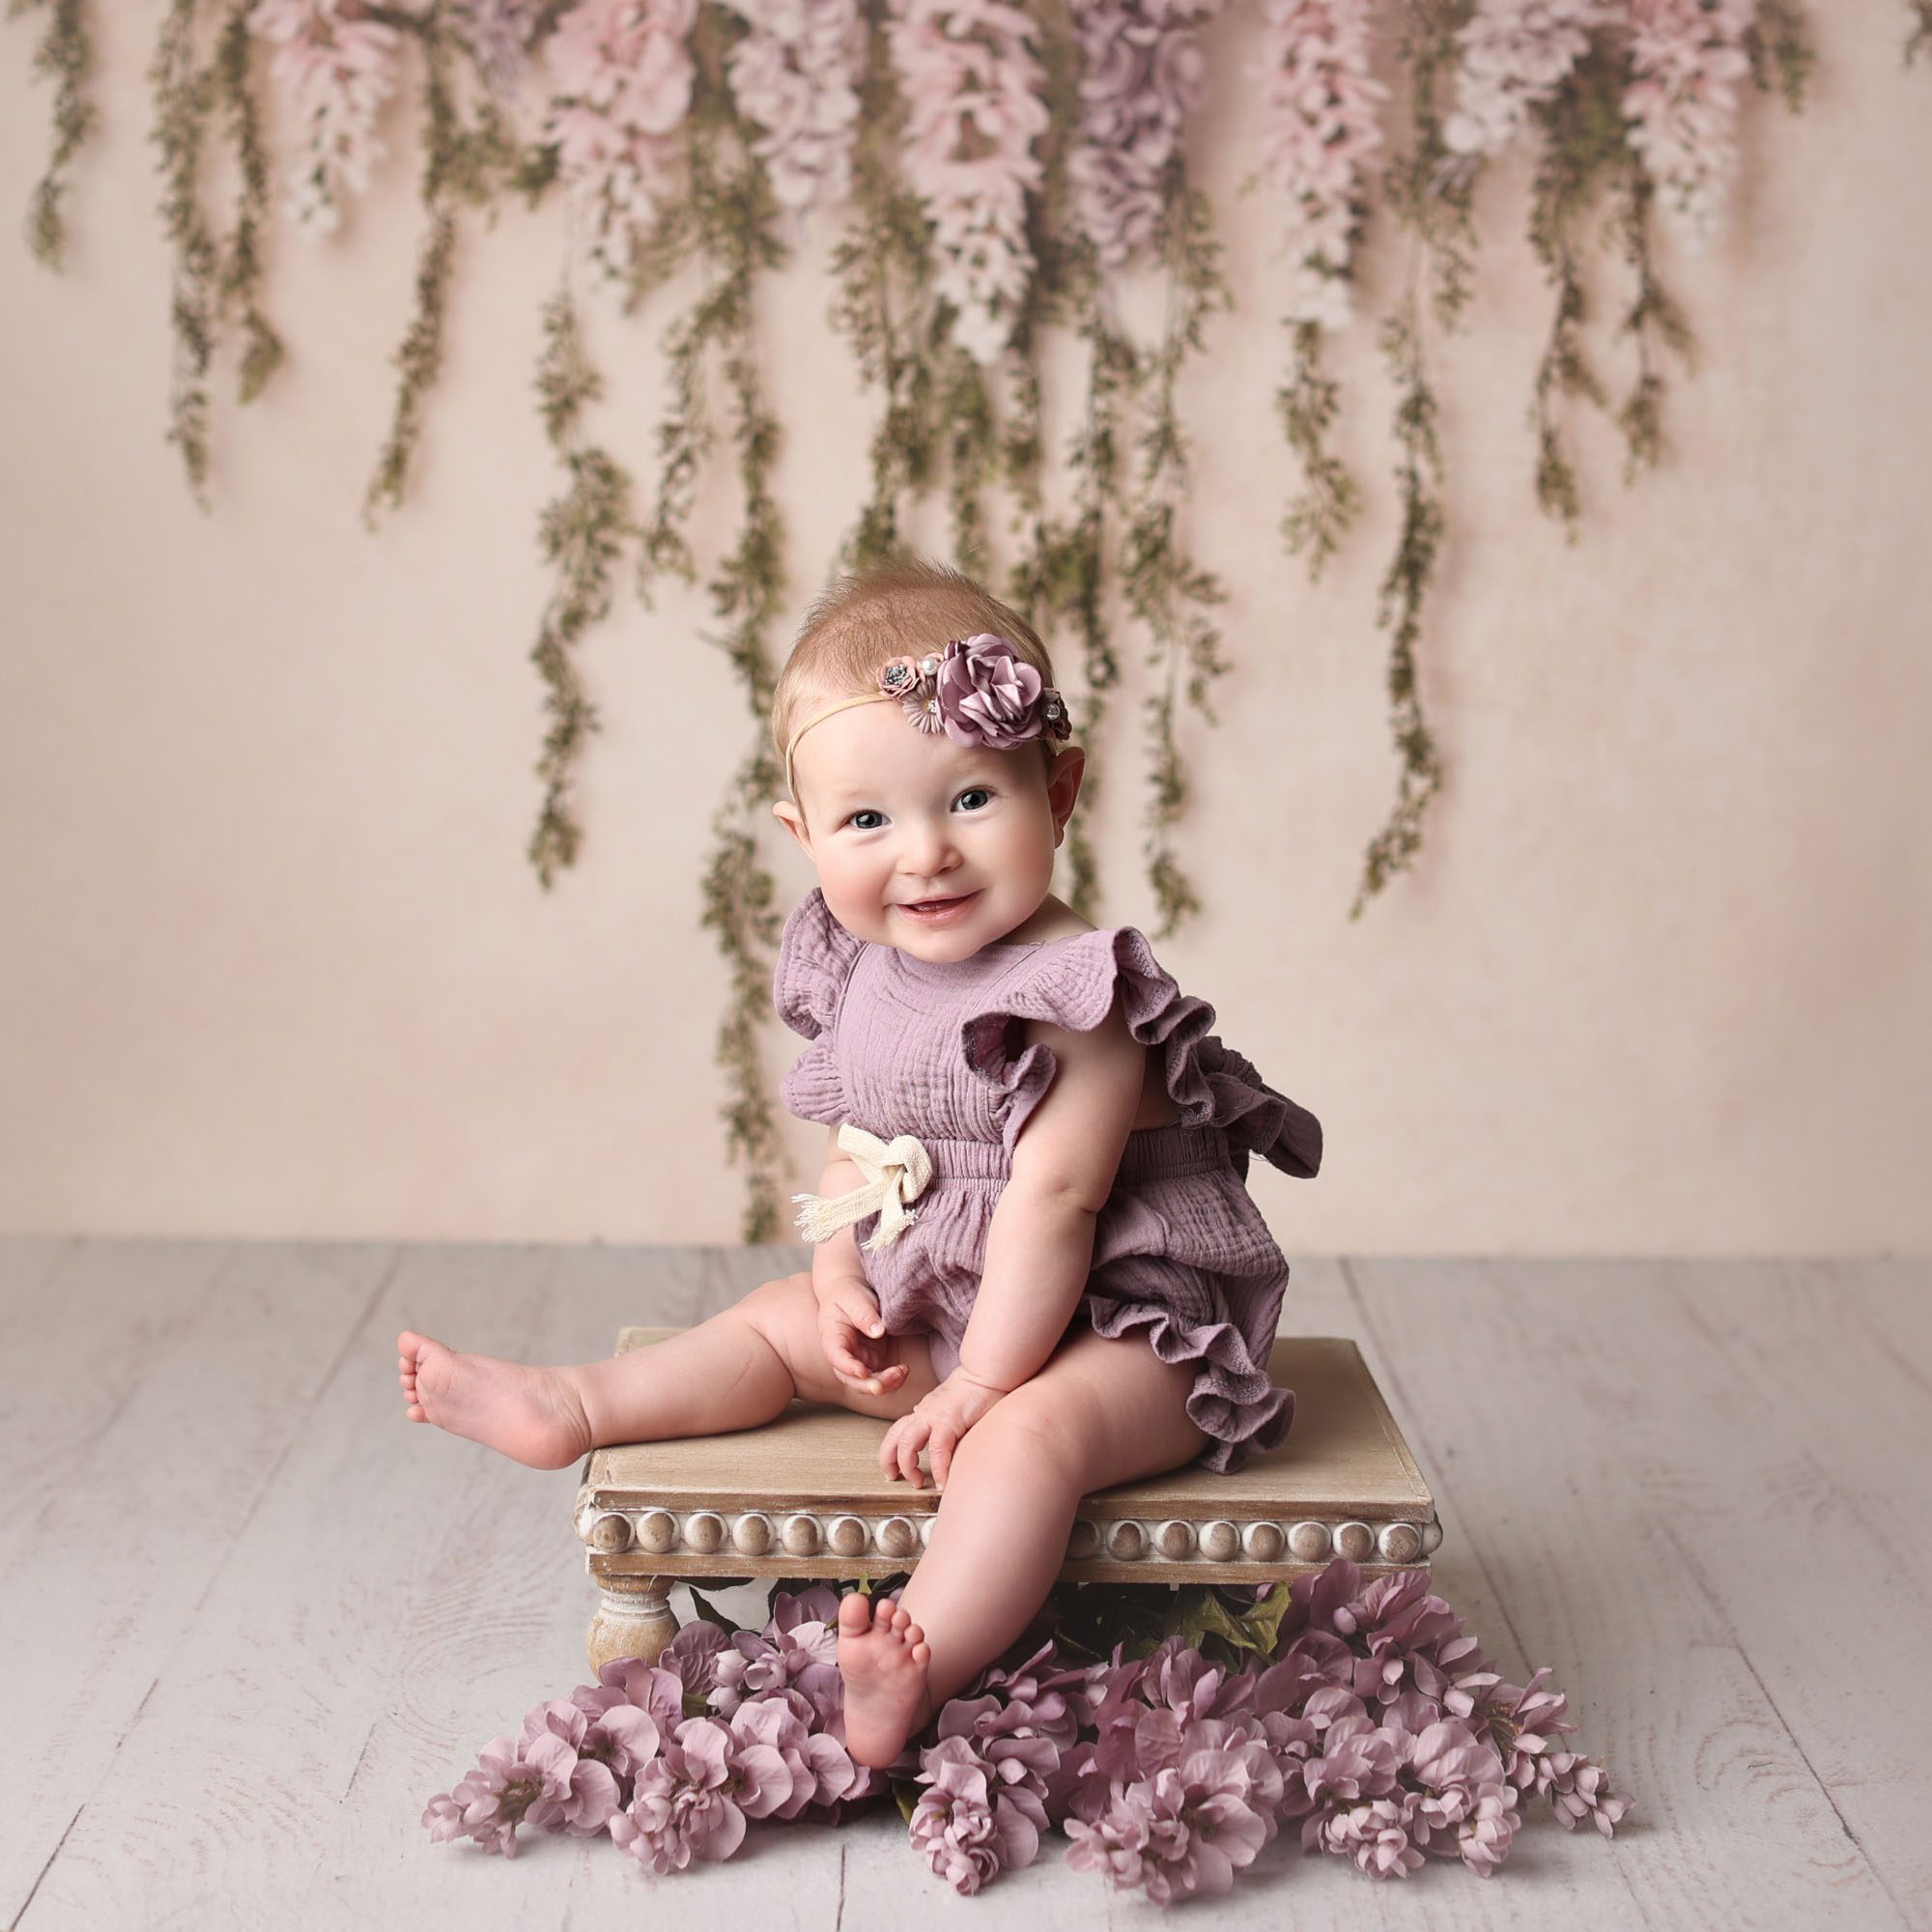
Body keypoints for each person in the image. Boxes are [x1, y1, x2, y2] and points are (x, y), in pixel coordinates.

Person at [396, 556, 1321, 1770]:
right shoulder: (865, 966)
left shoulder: (1075, 998)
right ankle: (572, 1407)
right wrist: (838, 1264)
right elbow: (861, 1147)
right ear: (803, 833)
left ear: (1060, 784)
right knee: (778, 1324)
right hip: (958, 1304)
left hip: (1122, 1331)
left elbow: (1056, 1198)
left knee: (1023, 1445)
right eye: (868, 820)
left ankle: (914, 1662)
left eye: (972, 798)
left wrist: (982, 1386)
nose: (924, 853)